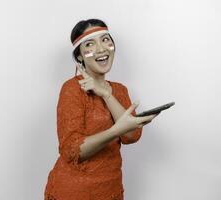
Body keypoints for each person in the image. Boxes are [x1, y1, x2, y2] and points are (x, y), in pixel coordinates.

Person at [44, 19, 159, 200]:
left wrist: (106, 94)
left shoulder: (120, 90)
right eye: (90, 44)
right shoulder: (72, 89)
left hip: (111, 190)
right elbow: (71, 151)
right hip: (74, 193)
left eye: (105, 40)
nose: (101, 49)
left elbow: (131, 136)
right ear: (80, 56)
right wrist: (115, 131)